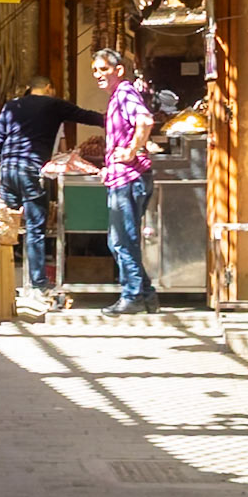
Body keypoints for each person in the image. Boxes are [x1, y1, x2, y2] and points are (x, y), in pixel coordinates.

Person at [0, 76, 105, 307]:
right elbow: (88, 116)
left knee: (8, 230)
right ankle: (38, 286)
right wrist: (119, 120)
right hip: (31, 171)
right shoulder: (54, 104)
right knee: (35, 230)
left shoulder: (11, 106)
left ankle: (4, 285)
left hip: (8, 170)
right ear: (49, 88)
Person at [93, 47, 158, 313]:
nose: (98, 75)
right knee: (120, 239)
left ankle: (133, 297)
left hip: (130, 178)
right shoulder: (118, 96)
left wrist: (131, 151)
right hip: (123, 177)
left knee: (122, 239)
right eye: (95, 71)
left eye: (103, 69)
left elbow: (145, 120)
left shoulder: (124, 93)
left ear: (118, 71)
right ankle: (147, 293)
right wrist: (110, 165)